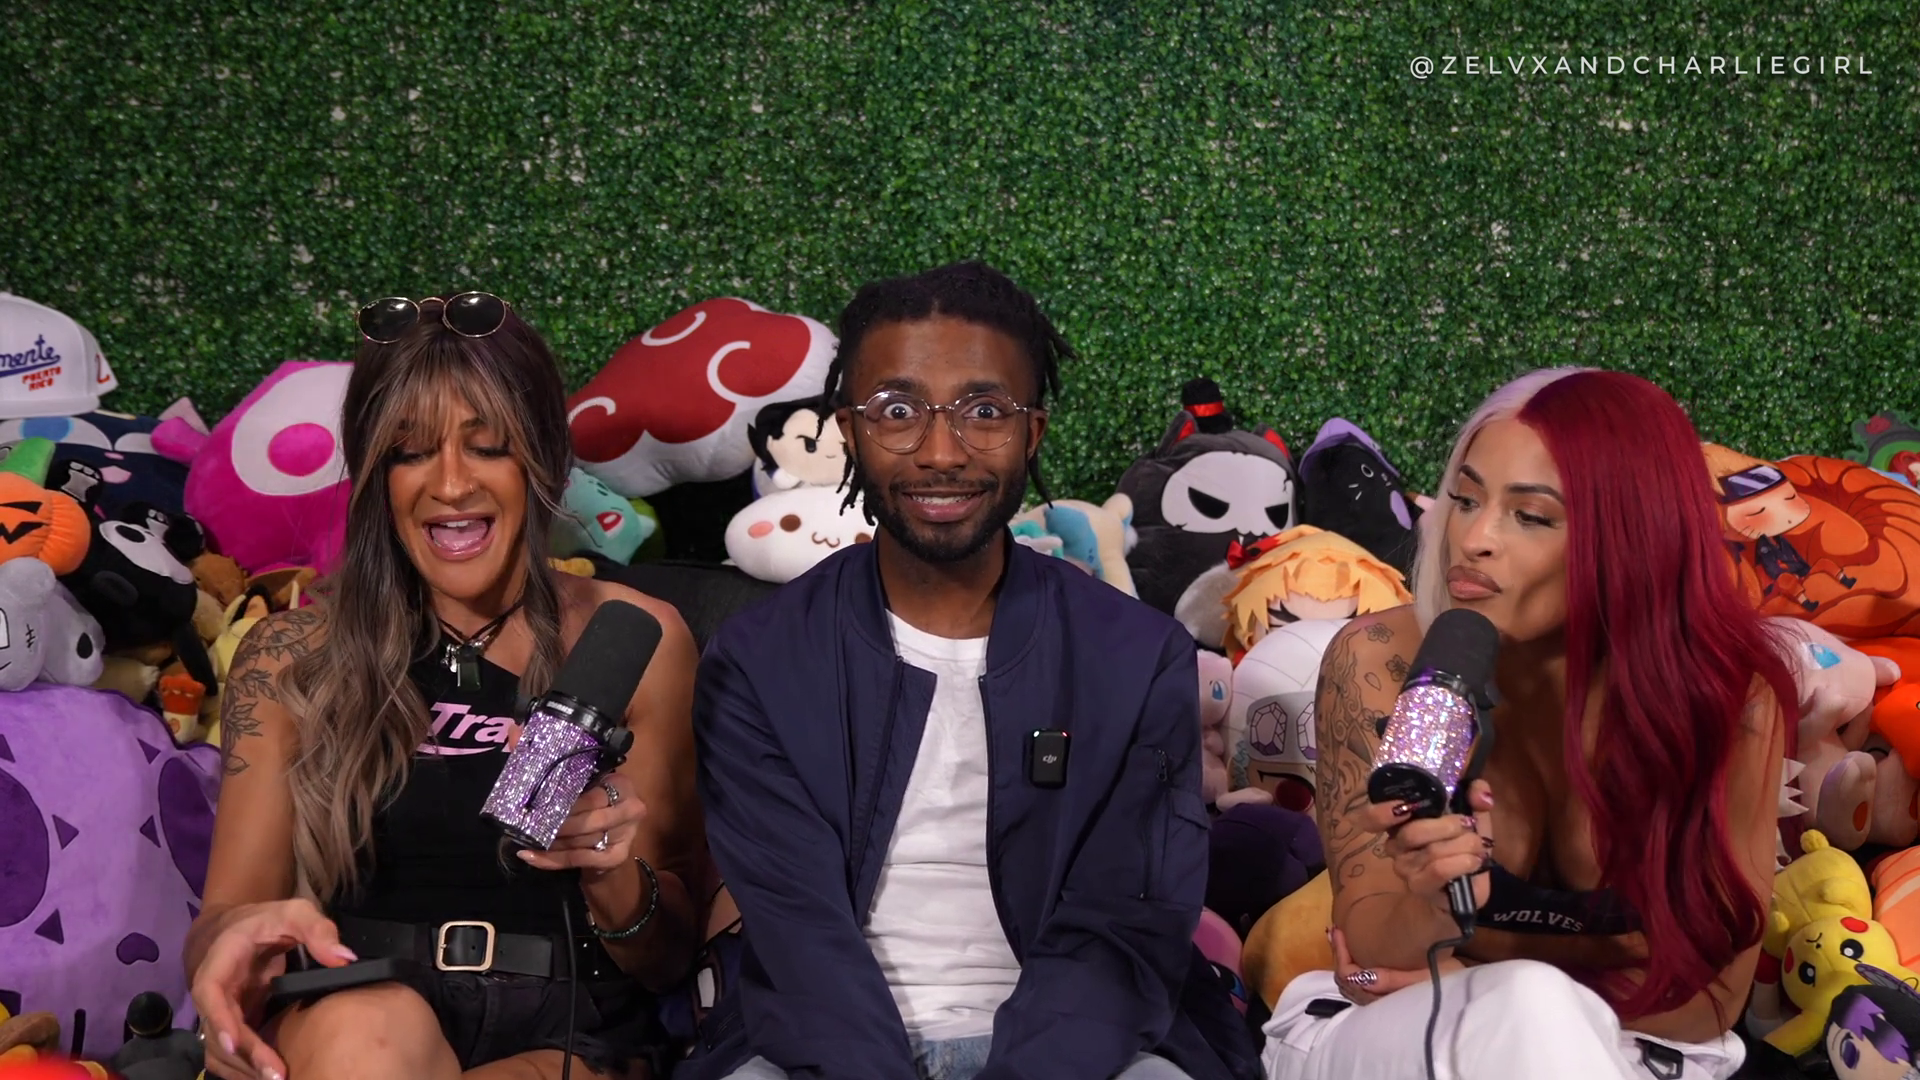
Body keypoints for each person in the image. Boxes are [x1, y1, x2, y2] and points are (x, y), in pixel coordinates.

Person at [682, 261, 1255, 1080]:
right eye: (898, 411)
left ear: (1033, 432)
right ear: (848, 430)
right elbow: (798, 933)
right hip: (822, 1053)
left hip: (1078, 1056)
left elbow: (1123, 924)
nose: (941, 453)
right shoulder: (758, 658)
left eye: (985, 411)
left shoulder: (1135, 657)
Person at [183, 292, 705, 1080]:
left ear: (540, 459)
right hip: (358, 1013)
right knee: (370, 1036)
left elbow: (670, 960)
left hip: (574, 1033)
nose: (452, 484)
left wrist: (610, 872)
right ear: (375, 474)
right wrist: (230, 946)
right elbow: (226, 914)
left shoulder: (634, 639)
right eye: (410, 452)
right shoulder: (290, 655)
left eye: (487, 446)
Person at [1260, 367, 1798, 1080]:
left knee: (1533, 1007)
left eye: (1531, 516)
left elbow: (1713, 1001)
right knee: (1527, 1005)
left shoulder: (1730, 696)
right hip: (1406, 1032)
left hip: (1638, 1048)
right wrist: (1433, 906)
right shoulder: (1378, 661)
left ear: (1632, 540)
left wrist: (1480, 983)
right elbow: (1368, 962)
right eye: (1465, 499)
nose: (1474, 538)